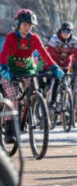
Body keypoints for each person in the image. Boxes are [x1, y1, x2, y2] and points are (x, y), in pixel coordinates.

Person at [0, 9, 63, 144]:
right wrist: (4, 69)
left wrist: (54, 66)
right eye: (25, 25)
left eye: (30, 25)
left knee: (34, 94)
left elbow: (44, 53)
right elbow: (4, 54)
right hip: (10, 71)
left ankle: (28, 117)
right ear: (19, 24)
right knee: (14, 100)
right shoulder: (11, 37)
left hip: (28, 70)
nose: (27, 28)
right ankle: (9, 131)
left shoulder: (34, 38)